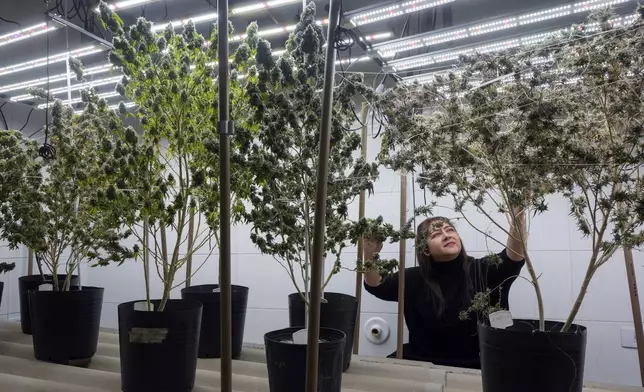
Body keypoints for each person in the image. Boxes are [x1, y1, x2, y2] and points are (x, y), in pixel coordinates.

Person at [363, 214, 526, 369]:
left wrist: (518, 212)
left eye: (450, 230)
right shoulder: (413, 279)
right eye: (435, 234)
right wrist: (370, 254)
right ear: (424, 248)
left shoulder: (482, 270)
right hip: (422, 363)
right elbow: (377, 285)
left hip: (480, 366)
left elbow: (513, 258)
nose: (447, 236)